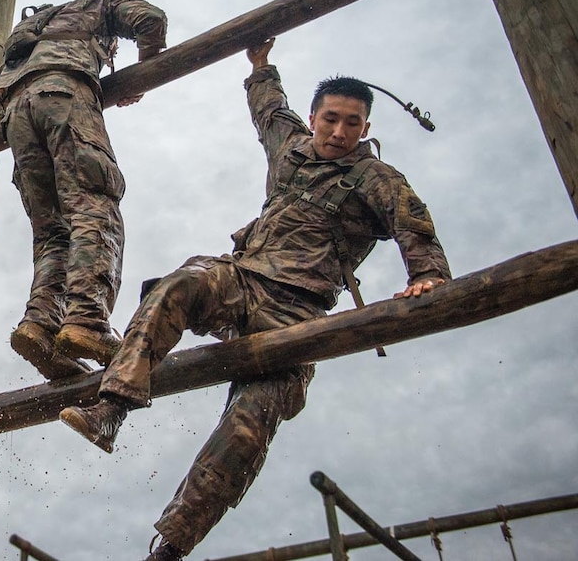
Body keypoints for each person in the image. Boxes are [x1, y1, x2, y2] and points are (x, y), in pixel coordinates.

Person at [59, 37, 452, 560]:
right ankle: (111, 409)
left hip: (298, 315)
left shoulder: (377, 179)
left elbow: (415, 227)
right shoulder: (289, 145)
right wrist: (260, 61)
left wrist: (428, 276)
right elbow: (267, 106)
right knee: (182, 282)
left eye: (352, 124)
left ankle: (170, 547)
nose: (339, 132)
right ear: (313, 118)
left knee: (247, 428)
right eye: (330, 119)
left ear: (367, 128)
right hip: (242, 281)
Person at [0, 0, 168, 380]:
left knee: (52, 232)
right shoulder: (96, 6)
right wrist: (147, 71)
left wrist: (27, 102)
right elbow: (150, 18)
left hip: (15, 116)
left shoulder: (28, 33)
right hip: (64, 96)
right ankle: (88, 320)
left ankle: (40, 325)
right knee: (95, 206)